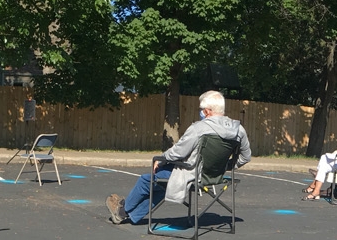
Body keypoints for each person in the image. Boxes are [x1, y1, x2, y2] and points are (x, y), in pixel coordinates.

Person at [106, 91, 251, 224]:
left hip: (191, 174)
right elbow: (245, 157)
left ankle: (122, 210)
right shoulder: (238, 130)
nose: (200, 112)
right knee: (162, 183)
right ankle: (130, 214)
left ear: (207, 111)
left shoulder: (199, 128)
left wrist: (160, 159)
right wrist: (222, 167)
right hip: (215, 176)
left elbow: (178, 153)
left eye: (201, 110)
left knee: (147, 180)